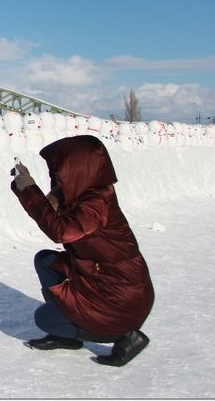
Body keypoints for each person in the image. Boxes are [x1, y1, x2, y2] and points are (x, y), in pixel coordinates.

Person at [11, 134, 154, 366]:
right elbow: (53, 219)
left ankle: (126, 335)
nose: (55, 179)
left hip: (121, 300)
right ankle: (67, 333)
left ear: (75, 170)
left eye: (58, 174)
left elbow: (61, 232)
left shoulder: (96, 204)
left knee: (44, 318)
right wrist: (27, 188)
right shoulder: (82, 195)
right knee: (46, 260)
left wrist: (30, 190)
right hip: (99, 279)